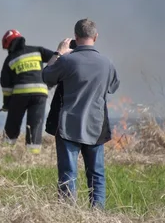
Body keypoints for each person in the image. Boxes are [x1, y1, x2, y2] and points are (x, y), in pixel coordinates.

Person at [41, 18, 120, 209]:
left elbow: (46, 76)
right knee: (97, 174)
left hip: (68, 126)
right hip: (95, 126)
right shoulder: (107, 63)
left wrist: (59, 53)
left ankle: (68, 214)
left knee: (68, 175)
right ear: (96, 36)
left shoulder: (67, 61)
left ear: (75, 36)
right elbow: (113, 88)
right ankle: (97, 214)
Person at [0, 29, 55, 153]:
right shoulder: (37, 50)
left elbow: (6, 85)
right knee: (35, 125)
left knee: (12, 124)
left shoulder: (10, 58)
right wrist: (47, 79)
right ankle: (33, 155)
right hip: (40, 94)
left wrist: (6, 104)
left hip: (20, 95)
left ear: (9, 45)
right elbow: (56, 58)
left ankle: (6, 151)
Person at [45, 39, 77, 137]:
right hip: (91, 124)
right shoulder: (97, 64)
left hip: (65, 123)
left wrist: (58, 53)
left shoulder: (64, 64)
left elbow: (46, 77)